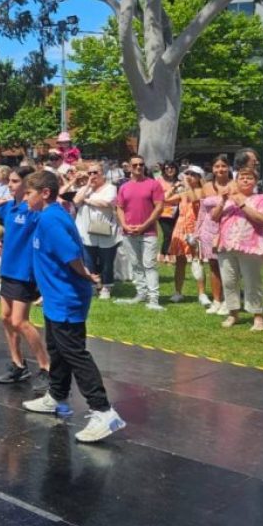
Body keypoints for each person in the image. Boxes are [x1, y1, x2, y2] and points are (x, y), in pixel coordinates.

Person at [21, 171, 126, 443]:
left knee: (74, 353)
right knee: (56, 349)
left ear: (45, 193)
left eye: (29, 193)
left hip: (66, 297)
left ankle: (104, 411)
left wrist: (84, 275)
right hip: (55, 297)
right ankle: (56, 395)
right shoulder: (49, 214)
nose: (24, 198)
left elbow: (71, 255)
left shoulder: (50, 219)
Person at [0, 166, 51, 389]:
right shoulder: (8, 208)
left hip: (24, 271)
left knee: (20, 321)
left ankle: (46, 367)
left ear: (27, 184)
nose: (9, 185)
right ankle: (18, 364)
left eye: (14, 181)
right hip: (8, 270)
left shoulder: (34, 211)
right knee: (6, 317)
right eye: (8, 181)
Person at [211, 167, 263, 332]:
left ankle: (258, 315)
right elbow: (214, 217)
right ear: (236, 181)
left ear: (255, 181)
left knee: (252, 282)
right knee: (229, 281)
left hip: (250, 246)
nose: (245, 180)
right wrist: (222, 201)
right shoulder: (228, 200)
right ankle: (233, 313)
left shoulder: (262, 199)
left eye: (249, 177)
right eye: (242, 177)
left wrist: (242, 204)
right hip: (226, 245)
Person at [115, 155, 164, 309]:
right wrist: (124, 225)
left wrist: (144, 225)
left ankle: (153, 298)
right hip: (129, 232)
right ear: (129, 167)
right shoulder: (124, 187)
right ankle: (141, 293)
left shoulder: (153, 184)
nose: (138, 167)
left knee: (149, 265)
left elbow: (159, 207)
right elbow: (119, 208)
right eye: (135, 165)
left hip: (148, 232)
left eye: (141, 164)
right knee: (136, 264)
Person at [72, 161, 120, 300]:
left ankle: (106, 286)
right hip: (86, 230)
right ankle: (92, 285)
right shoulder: (86, 188)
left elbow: (106, 203)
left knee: (106, 260)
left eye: (95, 172)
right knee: (88, 260)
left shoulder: (110, 188)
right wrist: (87, 185)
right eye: (90, 173)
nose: (92, 175)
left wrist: (87, 201)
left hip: (105, 229)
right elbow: (76, 201)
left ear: (102, 174)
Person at [167, 166, 209, 306]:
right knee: (180, 262)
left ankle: (202, 294)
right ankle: (178, 292)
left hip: (195, 229)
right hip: (181, 228)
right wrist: (174, 187)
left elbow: (195, 200)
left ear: (199, 177)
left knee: (197, 260)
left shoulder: (202, 191)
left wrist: (186, 185)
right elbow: (166, 199)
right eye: (187, 174)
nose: (189, 176)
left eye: (193, 174)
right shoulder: (183, 192)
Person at [196, 155, 231, 314]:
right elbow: (202, 211)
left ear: (229, 167)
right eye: (217, 166)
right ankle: (216, 300)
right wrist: (197, 230)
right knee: (214, 267)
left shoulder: (234, 185)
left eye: (223, 166)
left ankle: (228, 300)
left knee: (229, 268)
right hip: (208, 231)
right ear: (212, 168)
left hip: (228, 230)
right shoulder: (206, 186)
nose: (220, 169)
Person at [156, 161, 180, 264]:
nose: (170, 170)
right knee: (167, 233)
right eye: (167, 168)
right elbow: (161, 197)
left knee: (174, 233)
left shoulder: (180, 181)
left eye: (172, 168)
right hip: (163, 211)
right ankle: (166, 254)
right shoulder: (159, 181)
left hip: (177, 210)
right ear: (164, 170)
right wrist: (174, 188)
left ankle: (165, 254)